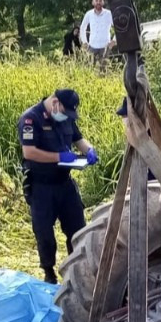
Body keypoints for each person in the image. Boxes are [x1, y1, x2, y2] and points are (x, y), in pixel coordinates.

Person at [19, 89, 99, 284]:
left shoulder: (66, 117)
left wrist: (89, 150)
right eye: (64, 111)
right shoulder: (31, 119)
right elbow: (29, 152)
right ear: (55, 102)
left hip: (64, 183)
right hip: (41, 186)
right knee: (44, 233)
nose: (66, 117)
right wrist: (59, 157)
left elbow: (77, 139)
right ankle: (49, 273)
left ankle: (78, 270)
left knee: (78, 228)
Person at [116, 98, 161, 181]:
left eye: (127, 116)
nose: (126, 120)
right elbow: (132, 166)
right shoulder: (133, 136)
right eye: (124, 117)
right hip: (146, 188)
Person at [79, 0, 114, 71]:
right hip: (92, 45)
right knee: (89, 68)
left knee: (104, 70)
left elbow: (118, 27)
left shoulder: (108, 14)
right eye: (96, 1)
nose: (98, 2)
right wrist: (84, 41)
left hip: (105, 46)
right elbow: (83, 27)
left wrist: (114, 40)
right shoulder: (89, 14)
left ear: (103, 2)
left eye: (100, 1)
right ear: (93, 2)